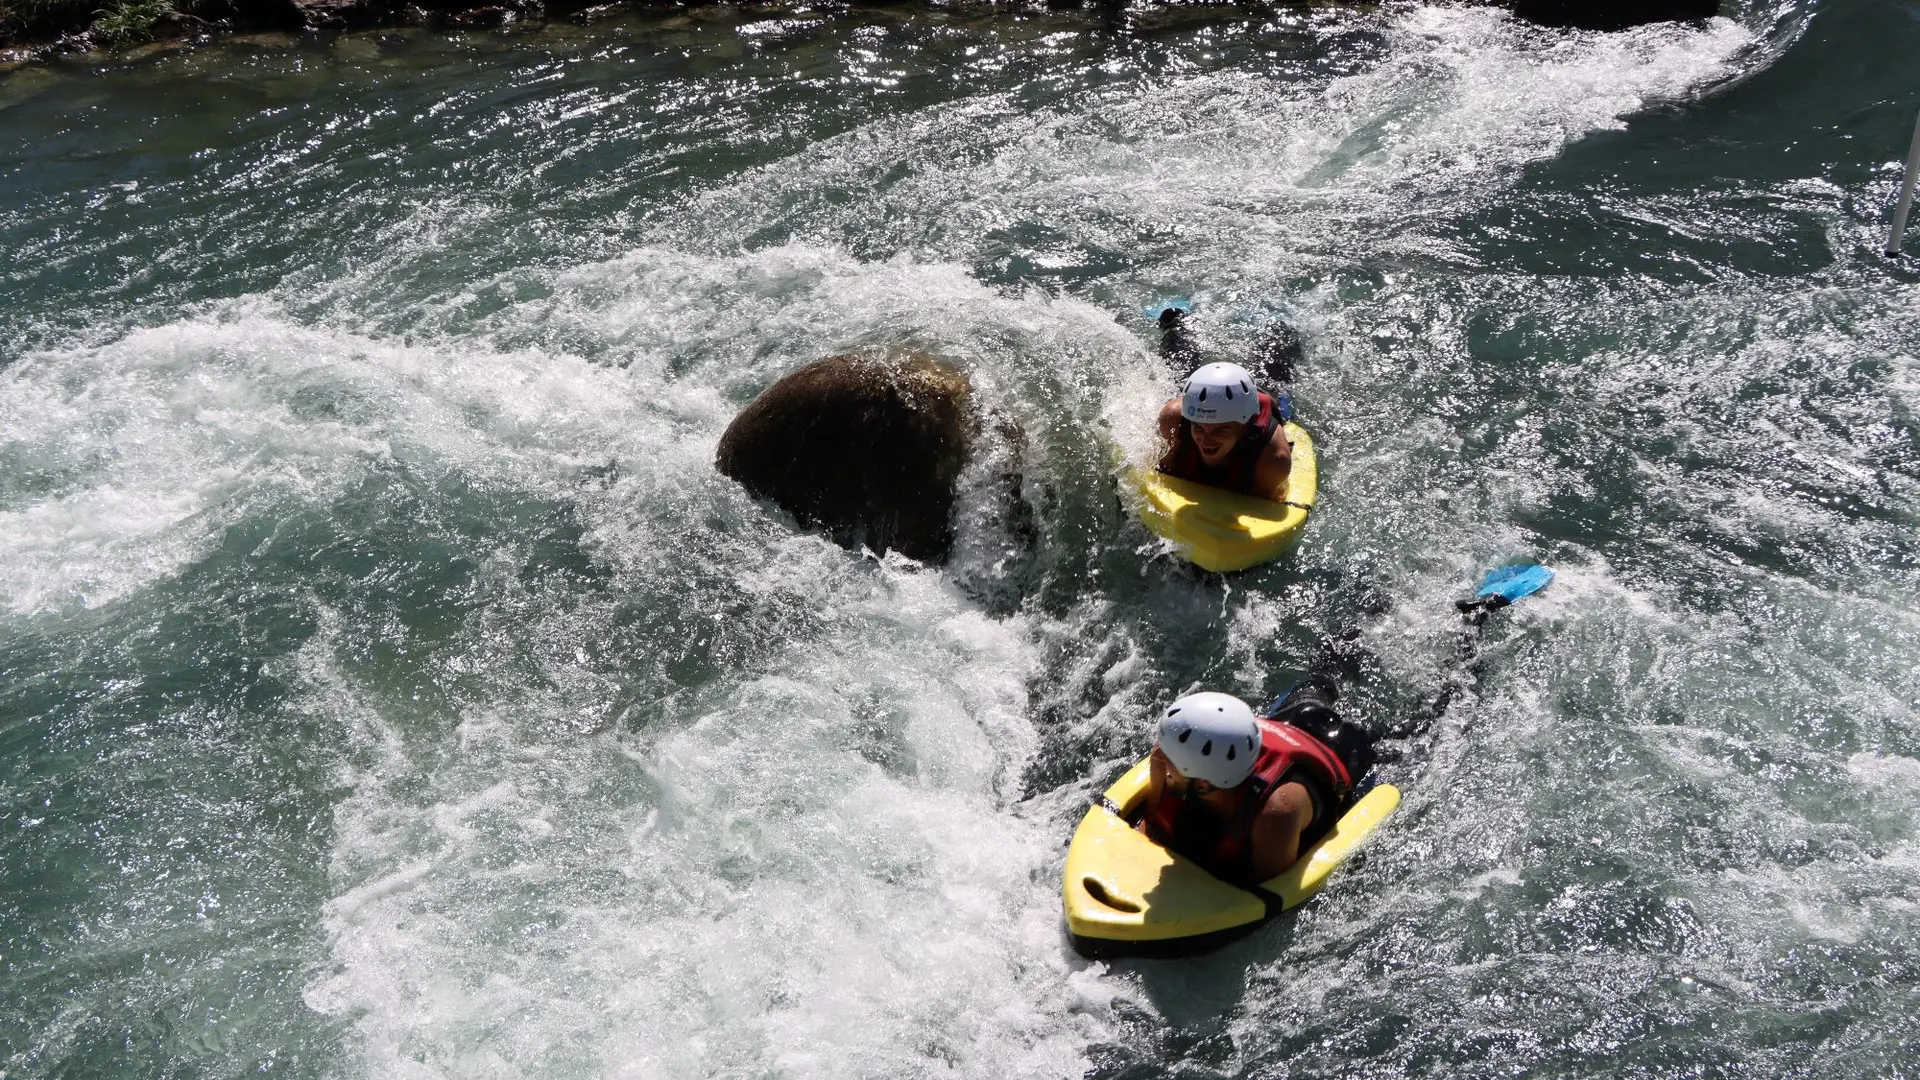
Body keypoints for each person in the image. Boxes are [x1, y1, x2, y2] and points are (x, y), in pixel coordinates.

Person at [1139, 680, 1377, 886]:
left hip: (1349, 750)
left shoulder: (1278, 810)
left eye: (1169, 756)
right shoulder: (1164, 761)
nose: (1159, 756)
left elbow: (1266, 891)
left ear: (1203, 780)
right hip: (1288, 717)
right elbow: (1152, 826)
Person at [1155, 360, 1293, 501]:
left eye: (1220, 431)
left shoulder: (1274, 460)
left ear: (1243, 426)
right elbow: (1161, 474)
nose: (1206, 441)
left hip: (1263, 393)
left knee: (1277, 360)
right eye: (1199, 427)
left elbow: (1259, 507)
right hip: (1218, 397)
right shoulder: (1172, 421)